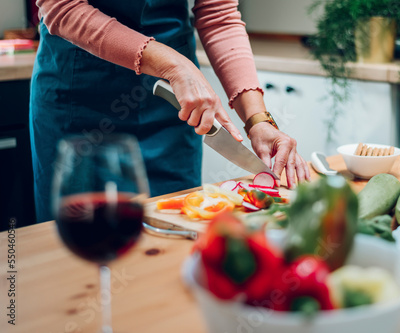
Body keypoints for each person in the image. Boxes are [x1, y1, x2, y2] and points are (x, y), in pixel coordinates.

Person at [31, 0, 310, 223]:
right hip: (82, 104)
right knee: (82, 253)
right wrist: (175, 66)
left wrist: (258, 120)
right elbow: (61, 7)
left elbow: (218, 14)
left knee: (174, 236)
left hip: (174, 111)